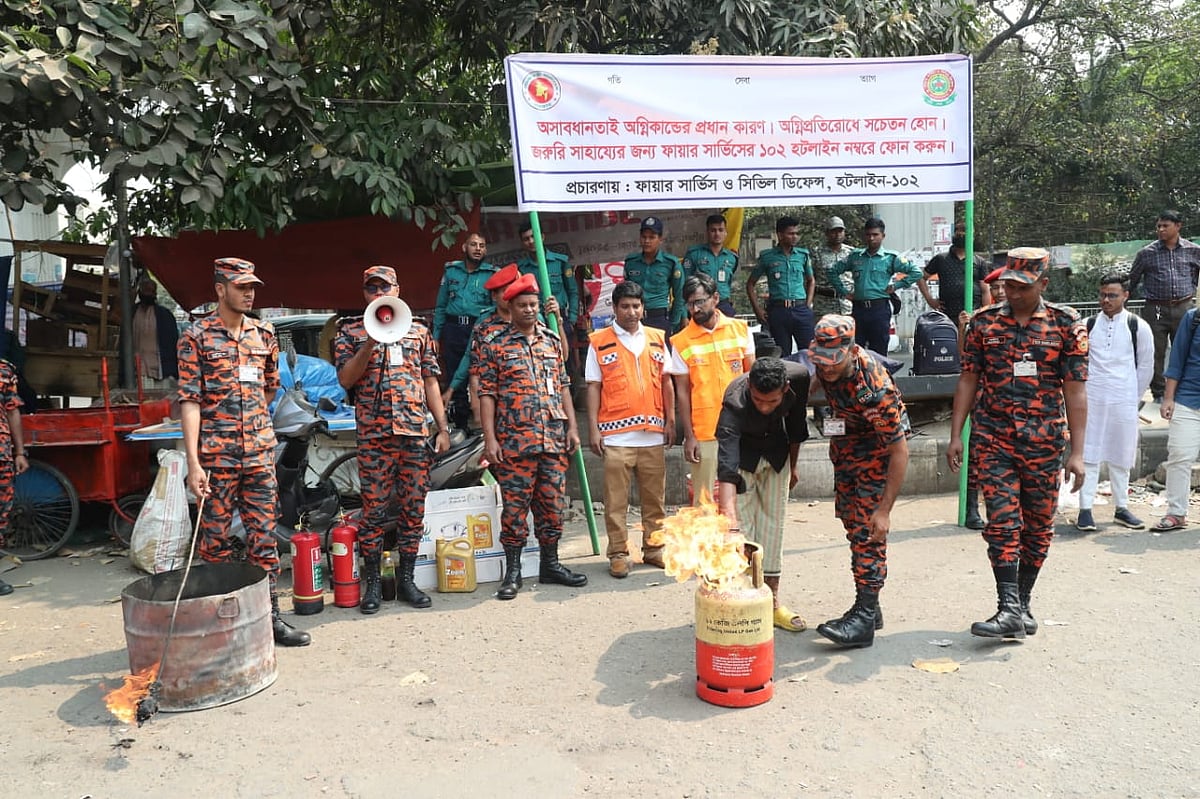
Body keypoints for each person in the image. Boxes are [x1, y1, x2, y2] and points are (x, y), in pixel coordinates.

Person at [947, 247, 1088, 640]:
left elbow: (1075, 392)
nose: (1011, 291)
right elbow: (968, 380)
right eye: (1007, 283)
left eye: (1021, 286)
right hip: (994, 438)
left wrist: (1077, 453)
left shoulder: (1066, 325)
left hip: (1044, 441)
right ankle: (1007, 606)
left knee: (1039, 525)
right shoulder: (983, 324)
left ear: (1043, 284)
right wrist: (956, 433)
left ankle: (1022, 603)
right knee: (1003, 522)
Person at [177, 257, 310, 646]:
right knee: (215, 542)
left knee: (264, 538)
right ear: (220, 289)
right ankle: (221, 626)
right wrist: (194, 462)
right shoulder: (196, 337)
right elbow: (190, 401)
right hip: (216, 458)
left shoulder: (263, 334)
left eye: (252, 286)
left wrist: (251, 423)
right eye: (241, 287)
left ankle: (270, 619)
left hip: (257, 455)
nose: (249, 293)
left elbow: (269, 388)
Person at [335, 266, 451, 614]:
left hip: (414, 433)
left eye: (384, 287)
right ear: (365, 293)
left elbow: (430, 381)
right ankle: (373, 583)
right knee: (373, 512)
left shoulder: (417, 331)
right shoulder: (350, 332)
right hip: (374, 436)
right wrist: (370, 341)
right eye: (372, 289)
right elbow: (345, 379)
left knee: (414, 508)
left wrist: (442, 427)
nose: (378, 294)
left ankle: (407, 579)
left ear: (397, 290)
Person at [477, 273, 587, 599]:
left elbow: (564, 385)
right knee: (514, 510)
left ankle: (550, 565)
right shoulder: (495, 346)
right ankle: (512, 572)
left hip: (553, 438)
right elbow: (486, 395)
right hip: (514, 441)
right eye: (522, 305)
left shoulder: (552, 341)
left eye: (533, 304)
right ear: (509, 307)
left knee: (552, 506)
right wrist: (490, 439)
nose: (529, 310)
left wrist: (572, 427)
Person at [808, 315, 909, 648]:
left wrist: (885, 511)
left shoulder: (874, 390)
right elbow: (816, 385)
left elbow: (900, 452)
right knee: (854, 529)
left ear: (851, 351)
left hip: (877, 459)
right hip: (848, 452)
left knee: (869, 533)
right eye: (821, 361)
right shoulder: (827, 363)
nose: (827, 368)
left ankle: (864, 620)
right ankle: (870, 607)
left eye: (833, 362)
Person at [586, 281, 675, 578]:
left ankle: (654, 549)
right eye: (625, 306)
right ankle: (619, 553)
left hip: (652, 433)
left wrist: (671, 420)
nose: (631, 311)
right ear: (614, 308)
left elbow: (666, 382)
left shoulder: (658, 338)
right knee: (615, 502)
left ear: (643, 307)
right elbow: (593, 387)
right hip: (615, 437)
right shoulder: (598, 340)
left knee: (655, 500)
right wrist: (595, 430)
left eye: (636, 305)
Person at [715, 357, 809, 632]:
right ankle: (743, 603)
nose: (765, 407)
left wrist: (794, 466)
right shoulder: (734, 400)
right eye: (758, 400)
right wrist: (729, 522)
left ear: (785, 389)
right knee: (742, 534)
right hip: (742, 460)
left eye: (772, 401)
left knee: (773, 528)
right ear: (749, 388)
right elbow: (727, 464)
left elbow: (796, 426)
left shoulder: (799, 378)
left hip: (777, 456)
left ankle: (772, 603)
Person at [667, 274, 756, 513]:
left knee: (743, 498)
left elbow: (753, 380)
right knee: (704, 502)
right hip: (705, 431)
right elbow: (682, 394)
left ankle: (739, 548)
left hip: (741, 428)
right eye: (689, 303)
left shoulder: (741, 330)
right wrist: (689, 436)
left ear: (715, 298)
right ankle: (705, 550)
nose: (694, 308)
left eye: (699, 302)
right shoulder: (681, 341)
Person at [1076, 274, 1153, 532]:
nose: (1106, 300)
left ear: (1126, 296)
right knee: (1089, 451)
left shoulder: (1137, 326)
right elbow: (1077, 362)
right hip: (1092, 397)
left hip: (1124, 397)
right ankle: (1085, 510)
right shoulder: (1087, 325)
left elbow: (1146, 367)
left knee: (1121, 454)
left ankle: (1122, 507)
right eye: (1103, 295)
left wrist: (1133, 397)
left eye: (1112, 295)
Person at [1128, 210, 1200, 403]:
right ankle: (1159, 393)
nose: (1161, 230)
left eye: (1165, 226)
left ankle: (1181, 390)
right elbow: (1131, 282)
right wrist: (1118, 310)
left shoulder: (1194, 250)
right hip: (1156, 309)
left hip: (1185, 307)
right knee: (1155, 351)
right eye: (1158, 226)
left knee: (1186, 349)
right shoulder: (1146, 253)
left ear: (1178, 226)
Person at [829, 217, 922, 356]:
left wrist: (897, 285)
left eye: (875, 235)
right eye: (868, 235)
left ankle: (881, 377)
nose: (871, 238)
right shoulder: (856, 256)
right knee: (856, 351)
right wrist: (843, 292)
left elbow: (916, 272)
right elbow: (832, 271)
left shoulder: (890, 258)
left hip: (879, 309)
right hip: (859, 309)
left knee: (879, 351)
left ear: (883, 236)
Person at [433, 232, 498, 430]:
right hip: (453, 330)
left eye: (482, 245)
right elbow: (441, 305)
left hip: (478, 328)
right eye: (474, 245)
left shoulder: (491, 274)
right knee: (454, 375)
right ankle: (461, 426)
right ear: (464, 248)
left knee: (479, 375)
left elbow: (494, 307)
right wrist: (436, 336)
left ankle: (483, 425)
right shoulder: (451, 271)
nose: (478, 249)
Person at [1153, 303, 1200, 531]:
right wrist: (1168, 398)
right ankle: (1176, 513)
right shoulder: (1194, 318)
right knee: (1180, 455)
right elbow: (1177, 360)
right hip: (1188, 400)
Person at [746, 216, 815, 356]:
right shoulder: (767, 257)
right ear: (780, 235)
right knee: (782, 355)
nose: (794, 237)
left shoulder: (803, 255)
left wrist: (808, 304)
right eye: (790, 233)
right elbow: (750, 284)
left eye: (796, 233)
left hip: (801, 309)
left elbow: (811, 280)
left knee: (809, 353)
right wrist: (758, 310)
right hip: (778, 311)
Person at [622, 216, 685, 335]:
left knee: (660, 353)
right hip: (634, 318)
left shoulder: (671, 263)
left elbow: (680, 295)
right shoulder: (631, 262)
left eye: (652, 237)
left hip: (659, 318)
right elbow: (625, 293)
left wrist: (673, 322)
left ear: (660, 239)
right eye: (644, 237)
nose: (647, 241)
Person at [517, 220, 579, 334]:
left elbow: (573, 290)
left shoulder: (560, 262)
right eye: (526, 239)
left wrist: (572, 318)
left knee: (563, 351)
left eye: (533, 236)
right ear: (522, 242)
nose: (531, 241)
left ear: (542, 237)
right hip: (533, 320)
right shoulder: (521, 268)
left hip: (559, 317)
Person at [0, 358, 29, 596]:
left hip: (2, 455)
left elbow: (13, 411)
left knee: (1, 514)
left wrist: (20, 452)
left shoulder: (4, 370)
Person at [917, 233, 987, 323]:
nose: (961, 234)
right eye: (958, 231)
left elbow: (985, 290)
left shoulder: (979, 261)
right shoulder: (941, 259)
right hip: (948, 317)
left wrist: (984, 315)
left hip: (973, 316)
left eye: (965, 231)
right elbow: (921, 278)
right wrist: (930, 300)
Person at [683, 214, 739, 317]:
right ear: (707, 232)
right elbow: (685, 284)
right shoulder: (694, 254)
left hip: (723, 305)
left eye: (720, 230)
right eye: (713, 230)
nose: (717, 234)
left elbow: (729, 282)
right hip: (701, 305)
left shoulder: (732, 258)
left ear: (726, 233)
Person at [130, 277, 179, 387]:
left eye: (150, 291)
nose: (148, 293)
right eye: (145, 290)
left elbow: (173, 343)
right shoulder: (131, 313)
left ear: (155, 293)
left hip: (162, 371)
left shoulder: (165, 315)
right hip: (139, 371)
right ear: (140, 292)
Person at [812, 216, 854, 318]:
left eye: (840, 231)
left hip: (847, 307)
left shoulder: (852, 253)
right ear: (827, 233)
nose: (837, 235)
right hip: (824, 307)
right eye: (834, 231)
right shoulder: (816, 253)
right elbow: (809, 279)